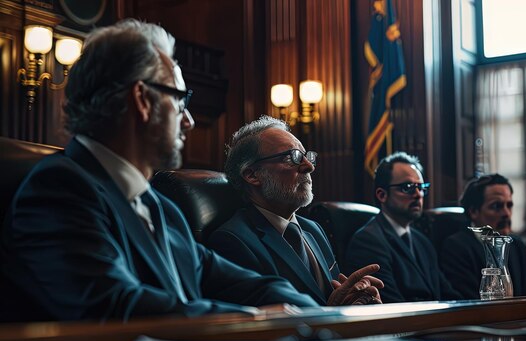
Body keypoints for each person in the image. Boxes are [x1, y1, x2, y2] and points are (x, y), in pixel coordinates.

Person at [0, 19, 320, 322]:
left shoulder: (162, 207)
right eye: (180, 101)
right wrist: (254, 320)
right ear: (141, 99)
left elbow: (249, 285)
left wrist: (311, 313)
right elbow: (115, 307)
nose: (189, 121)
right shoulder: (58, 190)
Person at [207, 115, 383, 306]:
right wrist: (332, 314)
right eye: (293, 157)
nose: (308, 167)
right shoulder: (233, 241)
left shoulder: (314, 229)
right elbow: (264, 326)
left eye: (307, 156)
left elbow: (332, 298)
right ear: (252, 175)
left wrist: (355, 300)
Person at [345, 152, 459, 303]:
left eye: (421, 187)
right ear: (382, 195)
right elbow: (391, 305)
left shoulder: (422, 241)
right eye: (408, 187)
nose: (418, 194)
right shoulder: (368, 241)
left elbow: (448, 295)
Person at [439, 174, 526, 299]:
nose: (506, 213)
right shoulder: (457, 247)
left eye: (509, 205)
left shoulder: (516, 245)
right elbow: (468, 301)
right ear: (473, 212)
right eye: (496, 206)